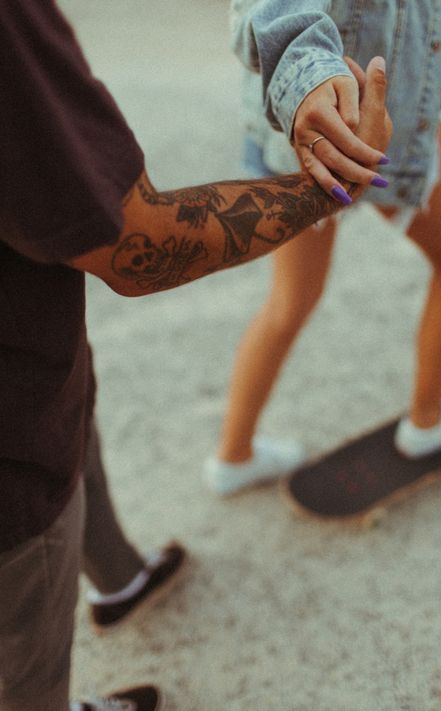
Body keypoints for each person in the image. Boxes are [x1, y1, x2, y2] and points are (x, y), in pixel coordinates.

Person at [0, 2, 391, 710]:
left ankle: (120, 579)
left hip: (33, 362)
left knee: (72, 428)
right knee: (27, 663)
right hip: (10, 450)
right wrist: (329, 190)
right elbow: (136, 245)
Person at [202, 0, 441, 496]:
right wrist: (307, 81)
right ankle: (428, 421)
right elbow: (263, 10)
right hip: (355, 124)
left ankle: (233, 456)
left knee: (291, 301)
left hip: (310, 131)